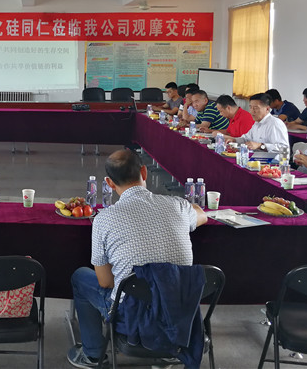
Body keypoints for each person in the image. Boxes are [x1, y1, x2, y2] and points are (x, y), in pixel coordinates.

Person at [68, 149, 206, 368]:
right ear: (144, 172)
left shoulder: (104, 219)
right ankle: (168, 349)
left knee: (80, 277)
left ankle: (92, 354)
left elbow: (106, 282)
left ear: (109, 183)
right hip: (179, 315)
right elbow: (201, 215)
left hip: (131, 316)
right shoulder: (177, 206)